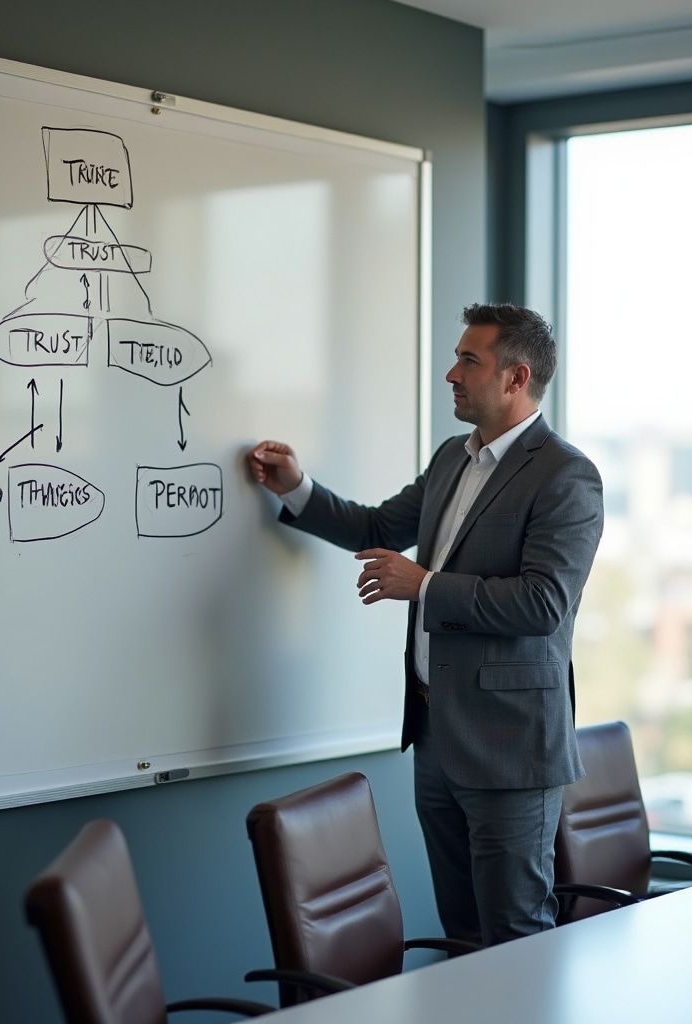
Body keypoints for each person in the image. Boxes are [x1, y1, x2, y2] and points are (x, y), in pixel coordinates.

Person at [247, 302, 604, 947]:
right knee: (462, 935)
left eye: (470, 360)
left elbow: (544, 603)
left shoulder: (566, 475)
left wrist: (428, 585)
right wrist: (297, 488)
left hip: (511, 748)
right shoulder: (452, 459)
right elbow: (379, 529)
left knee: (516, 936)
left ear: (516, 378)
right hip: (437, 733)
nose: (451, 374)